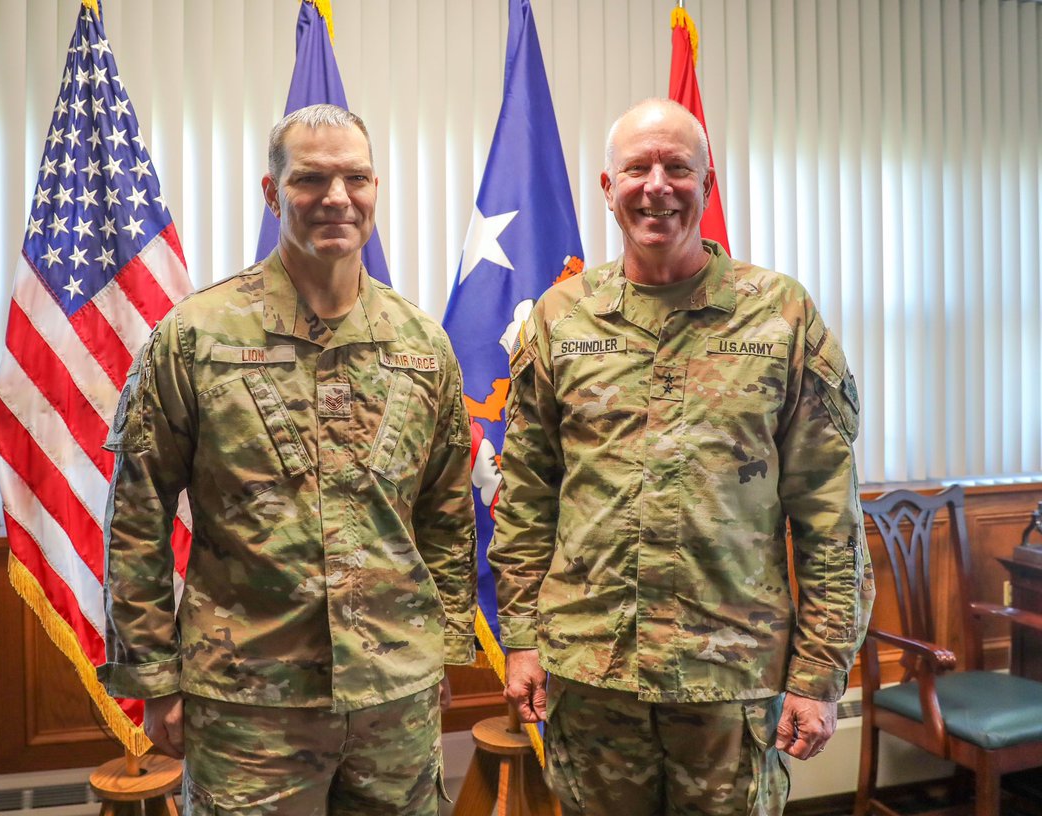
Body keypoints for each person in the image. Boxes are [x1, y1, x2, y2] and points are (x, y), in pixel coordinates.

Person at [488, 98, 875, 815]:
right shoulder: (559, 317)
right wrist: (519, 640)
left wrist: (819, 673)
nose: (656, 185)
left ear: (708, 183)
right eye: (636, 168)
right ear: (607, 187)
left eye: (677, 167)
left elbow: (830, 515)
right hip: (590, 670)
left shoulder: (779, 315)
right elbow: (527, 499)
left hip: (731, 678)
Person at [97, 103, 477, 815]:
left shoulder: (423, 345)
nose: (337, 197)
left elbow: (446, 510)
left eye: (355, 178)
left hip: (393, 696)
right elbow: (137, 515)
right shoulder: (195, 337)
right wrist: (154, 676)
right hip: (248, 703)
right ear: (272, 193)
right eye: (311, 179)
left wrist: (441, 647)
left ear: (374, 187)